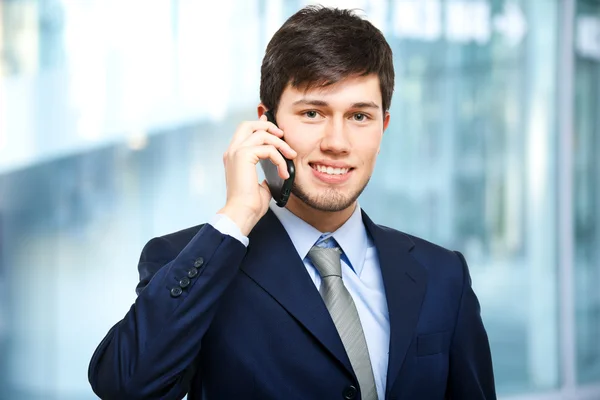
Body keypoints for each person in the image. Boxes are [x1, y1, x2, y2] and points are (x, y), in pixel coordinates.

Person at [88, 5, 496, 400]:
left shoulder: (444, 276)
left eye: (359, 117)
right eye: (313, 113)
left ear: (383, 127)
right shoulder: (191, 261)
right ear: (267, 124)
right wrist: (237, 217)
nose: (337, 143)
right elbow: (127, 386)